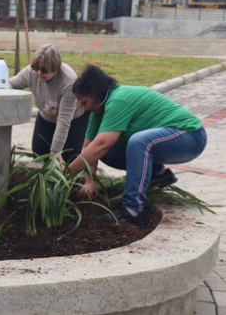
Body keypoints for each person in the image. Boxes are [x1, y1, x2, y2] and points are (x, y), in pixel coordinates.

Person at [67, 64, 207, 227]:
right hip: (170, 140)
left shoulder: (118, 99)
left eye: (85, 102)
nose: (84, 108)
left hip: (191, 136)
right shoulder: (98, 111)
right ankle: (158, 172)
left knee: (138, 142)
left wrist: (68, 171)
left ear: (95, 92)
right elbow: (90, 146)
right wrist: (90, 181)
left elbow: (102, 144)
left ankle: (132, 210)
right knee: (109, 153)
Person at [7, 43, 87, 164]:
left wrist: (55, 152)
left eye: (44, 70)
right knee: (39, 153)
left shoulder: (68, 82)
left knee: (68, 156)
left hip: (74, 119)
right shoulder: (30, 72)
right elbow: (10, 84)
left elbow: (64, 121)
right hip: (46, 116)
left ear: (56, 69)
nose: (39, 73)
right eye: (36, 68)